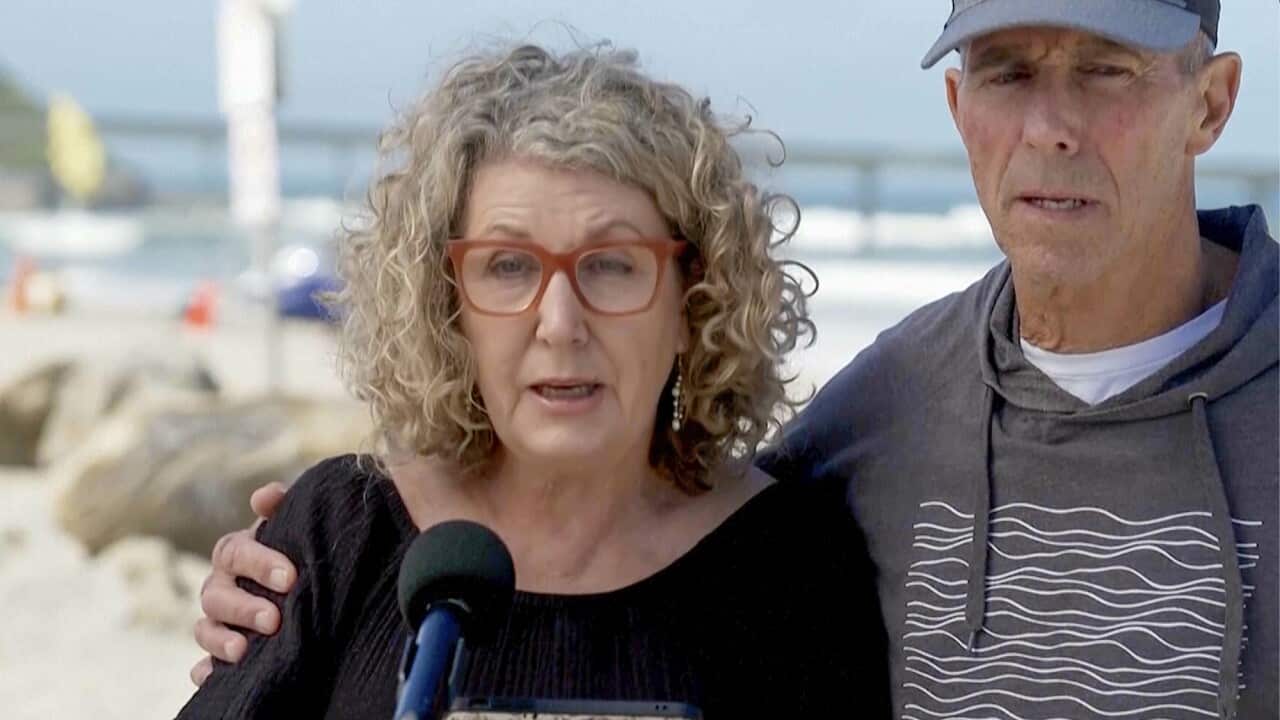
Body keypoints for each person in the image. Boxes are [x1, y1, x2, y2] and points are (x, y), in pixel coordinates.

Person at [196, 1, 1279, 718]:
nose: (1050, 123)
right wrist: (300, 560)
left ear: (1212, 101)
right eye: (1005, 72)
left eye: (1104, 70)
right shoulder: (886, 413)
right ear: (958, 106)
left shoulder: (782, 564)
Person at [178, 42, 889, 718]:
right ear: (447, 304)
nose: (560, 322)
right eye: (508, 266)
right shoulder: (341, 534)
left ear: (692, 300)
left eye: (612, 264)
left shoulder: (792, 567)